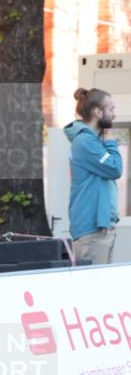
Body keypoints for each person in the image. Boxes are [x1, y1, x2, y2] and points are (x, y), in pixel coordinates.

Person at [64, 88, 122, 265]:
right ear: (98, 112)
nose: (114, 114)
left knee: (101, 289)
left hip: (100, 230)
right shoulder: (85, 142)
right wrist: (110, 140)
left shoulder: (93, 141)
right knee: (94, 290)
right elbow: (115, 168)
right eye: (111, 109)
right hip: (92, 232)